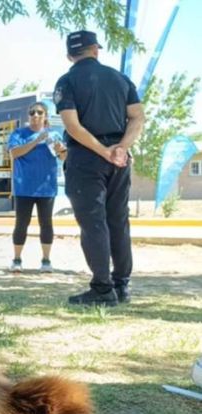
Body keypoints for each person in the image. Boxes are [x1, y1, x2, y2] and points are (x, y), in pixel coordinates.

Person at [54, 30, 145, 306]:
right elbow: (138, 117)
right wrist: (121, 148)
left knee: (93, 223)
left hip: (86, 159)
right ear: (96, 50)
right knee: (118, 220)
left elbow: (72, 125)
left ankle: (103, 289)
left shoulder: (67, 81)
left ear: (70, 55)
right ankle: (122, 285)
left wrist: (104, 151)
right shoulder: (121, 79)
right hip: (119, 160)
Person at [8, 102, 67, 273]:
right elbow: (14, 153)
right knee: (21, 224)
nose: (35, 115)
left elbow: (64, 157)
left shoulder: (54, 134)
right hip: (24, 187)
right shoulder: (19, 133)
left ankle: (46, 260)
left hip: (46, 188)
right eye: (32, 112)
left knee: (46, 224)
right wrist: (37, 140)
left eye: (39, 112)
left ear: (45, 116)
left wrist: (61, 150)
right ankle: (17, 259)